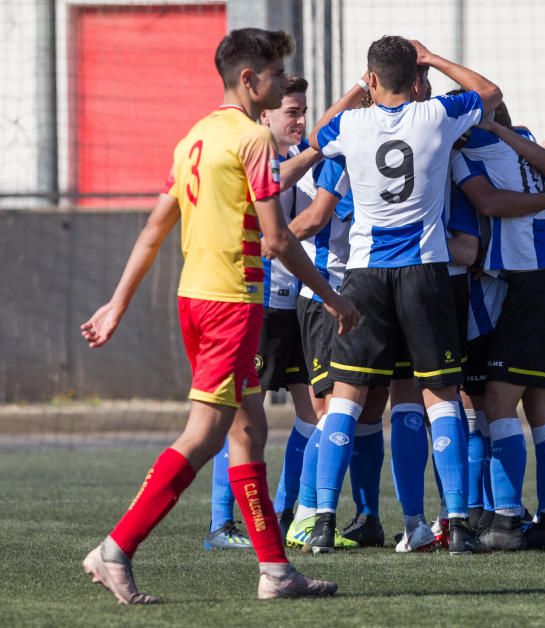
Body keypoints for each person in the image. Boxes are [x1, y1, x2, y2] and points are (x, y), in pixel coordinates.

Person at [79, 28, 358, 604]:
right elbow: (278, 240)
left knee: (248, 430)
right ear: (250, 80)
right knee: (204, 433)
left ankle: (276, 572)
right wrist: (333, 298)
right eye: (278, 74)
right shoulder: (252, 138)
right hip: (232, 302)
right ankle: (116, 549)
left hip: (195, 299)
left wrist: (117, 303)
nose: (283, 83)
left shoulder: (193, 138)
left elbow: (156, 228)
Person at [307, 35, 501, 555]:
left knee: (345, 396)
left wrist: (357, 89)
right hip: (424, 272)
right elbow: (489, 91)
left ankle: (324, 519)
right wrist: (434, 59)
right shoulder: (435, 114)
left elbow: (314, 135)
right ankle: (456, 522)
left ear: (372, 80)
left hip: (366, 276)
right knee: (440, 396)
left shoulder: (350, 124)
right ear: (415, 79)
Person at [452, 103, 545, 550]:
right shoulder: (529, 145)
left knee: (498, 400)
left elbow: (488, 202)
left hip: (528, 288)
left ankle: (505, 521)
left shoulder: (466, 152)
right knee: (542, 404)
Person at [203, 75, 321, 551]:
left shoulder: (295, 161)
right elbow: (276, 235)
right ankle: (221, 524)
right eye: (292, 111)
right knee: (236, 417)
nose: (301, 120)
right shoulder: (254, 160)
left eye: (304, 111)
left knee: (312, 412)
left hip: (296, 307)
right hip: (257, 305)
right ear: (265, 114)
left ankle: (285, 512)